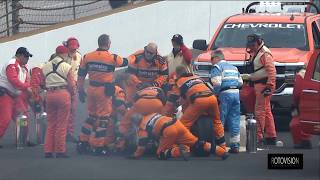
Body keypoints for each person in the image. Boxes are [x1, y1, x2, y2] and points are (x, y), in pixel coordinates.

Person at [77, 34, 128, 155]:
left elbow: (81, 75)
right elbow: (125, 62)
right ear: (108, 44)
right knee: (104, 119)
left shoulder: (87, 57)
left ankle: (83, 142)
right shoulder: (112, 57)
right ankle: (99, 146)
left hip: (91, 89)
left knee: (91, 117)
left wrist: (80, 90)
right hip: (104, 91)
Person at [165, 65, 227, 158]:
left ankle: (185, 149)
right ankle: (223, 148)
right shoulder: (198, 78)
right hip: (212, 98)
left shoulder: (179, 82)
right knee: (217, 122)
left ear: (177, 75)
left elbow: (171, 103)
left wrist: (166, 115)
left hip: (198, 101)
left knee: (183, 126)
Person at [128, 113, 228, 160]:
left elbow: (141, 146)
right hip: (177, 124)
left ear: (135, 122)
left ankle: (180, 150)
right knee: (197, 143)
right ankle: (222, 152)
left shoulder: (142, 127)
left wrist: (135, 155)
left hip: (168, 130)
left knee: (160, 154)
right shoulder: (152, 114)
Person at [41, 45, 76, 158]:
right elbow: (71, 84)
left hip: (49, 94)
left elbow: (42, 83)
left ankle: (48, 150)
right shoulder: (67, 66)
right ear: (64, 54)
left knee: (51, 123)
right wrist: (73, 94)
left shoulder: (45, 66)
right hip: (63, 94)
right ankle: (60, 150)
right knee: (62, 123)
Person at [242, 34, 277, 146]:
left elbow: (271, 71)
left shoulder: (265, 54)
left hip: (264, 85)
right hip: (259, 84)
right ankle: (271, 136)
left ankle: (258, 137)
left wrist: (270, 86)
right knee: (266, 111)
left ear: (258, 43)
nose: (251, 47)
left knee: (259, 111)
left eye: (253, 45)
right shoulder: (257, 52)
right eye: (250, 45)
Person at [210, 50, 243, 153]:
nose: (211, 62)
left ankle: (220, 145)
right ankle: (235, 145)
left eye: (211, 59)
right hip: (236, 94)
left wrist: (215, 95)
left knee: (220, 119)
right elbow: (240, 82)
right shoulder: (234, 67)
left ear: (216, 58)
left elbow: (216, 83)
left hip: (225, 94)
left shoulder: (217, 67)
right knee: (235, 119)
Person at [0, 47, 32, 148]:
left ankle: (22, 139)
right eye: (26, 56)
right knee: (5, 119)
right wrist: (27, 87)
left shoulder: (24, 68)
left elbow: (26, 81)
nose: (27, 59)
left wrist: (26, 87)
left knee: (24, 117)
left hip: (14, 96)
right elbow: (13, 79)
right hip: (5, 94)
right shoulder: (12, 63)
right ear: (20, 55)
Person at [117, 85, 166, 151]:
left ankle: (121, 143)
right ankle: (157, 143)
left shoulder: (140, 91)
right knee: (160, 123)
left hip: (140, 103)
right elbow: (164, 101)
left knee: (125, 122)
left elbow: (133, 102)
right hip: (158, 103)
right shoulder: (159, 89)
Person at [63, 37, 82, 141]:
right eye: (71, 49)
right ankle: (62, 132)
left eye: (75, 49)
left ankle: (69, 133)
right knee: (64, 111)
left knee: (72, 111)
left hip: (73, 86)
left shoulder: (79, 56)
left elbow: (79, 71)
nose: (73, 51)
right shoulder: (61, 56)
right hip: (63, 86)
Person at [289, 67, 312, 149]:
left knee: (294, 123)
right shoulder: (313, 74)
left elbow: (297, 93)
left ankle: (302, 141)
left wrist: (294, 106)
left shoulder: (299, 76)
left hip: (305, 103)